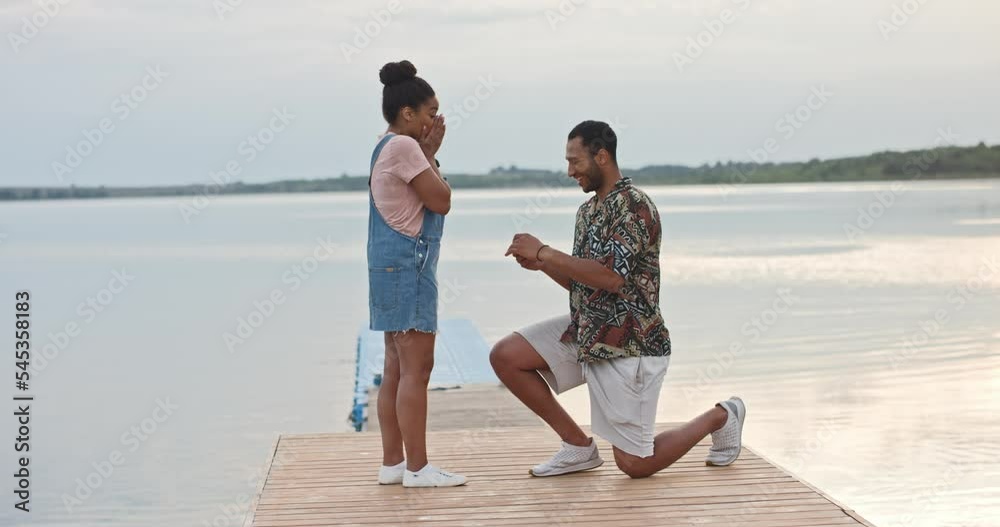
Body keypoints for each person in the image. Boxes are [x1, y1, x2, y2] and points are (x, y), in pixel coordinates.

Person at [493, 120, 747, 478]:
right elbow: (584, 283)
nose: (569, 172)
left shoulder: (634, 205)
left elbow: (611, 277)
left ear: (602, 157)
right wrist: (540, 264)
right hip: (589, 332)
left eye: (575, 161)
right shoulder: (588, 211)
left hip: (632, 342)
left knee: (634, 465)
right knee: (507, 356)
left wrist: (545, 252)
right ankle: (578, 447)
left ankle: (722, 415)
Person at [368, 60, 466, 488]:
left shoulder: (382, 145)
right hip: (410, 267)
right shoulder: (405, 148)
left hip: (386, 266)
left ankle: (393, 464)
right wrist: (430, 152)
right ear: (407, 112)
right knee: (417, 370)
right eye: (430, 111)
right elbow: (441, 200)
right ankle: (418, 469)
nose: (435, 120)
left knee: (395, 367)